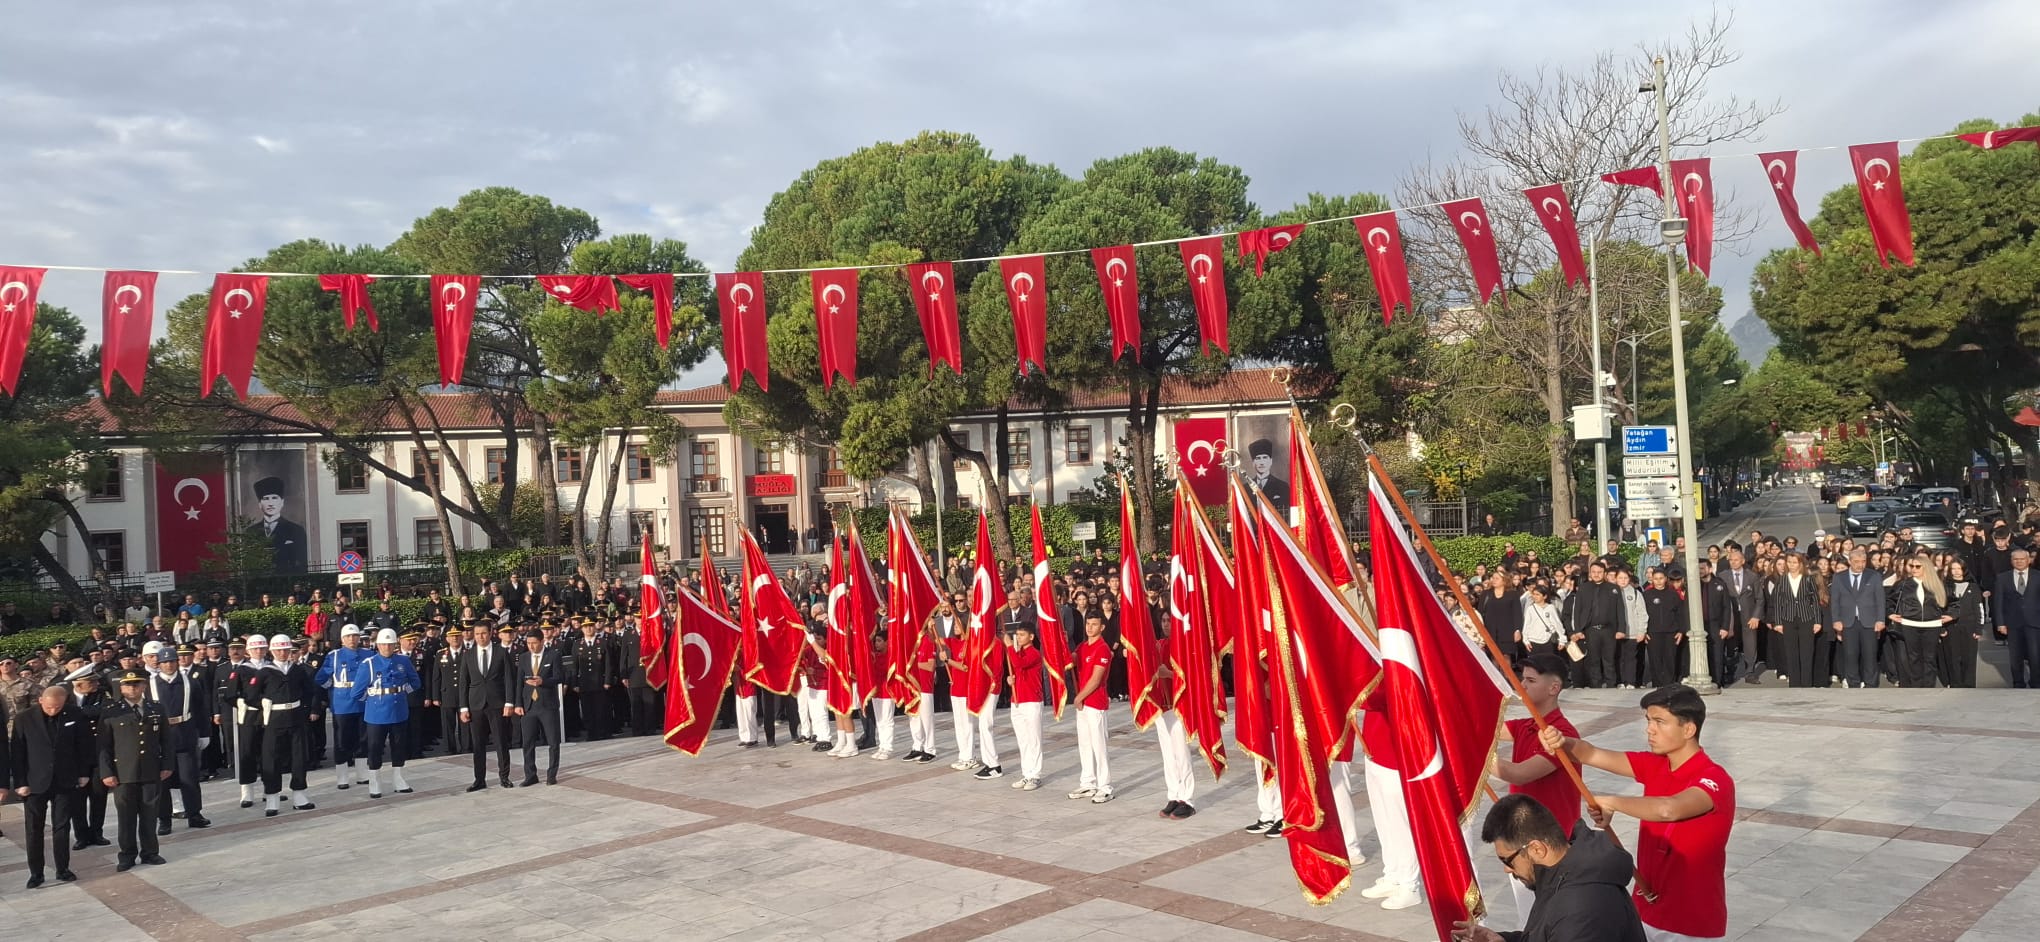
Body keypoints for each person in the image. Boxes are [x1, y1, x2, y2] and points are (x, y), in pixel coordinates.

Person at [1540, 685, 1735, 942]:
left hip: (1690, 921)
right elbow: (1591, 753)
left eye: (1659, 722)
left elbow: (1669, 809)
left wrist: (1612, 802)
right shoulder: (1654, 764)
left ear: (1689, 729)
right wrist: (1562, 742)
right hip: (1644, 909)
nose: (1649, 729)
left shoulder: (1714, 778)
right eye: (1648, 721)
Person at [1451, 794, 1646, 942]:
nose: (1507, 870)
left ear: (1537, 848)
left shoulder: (1581, 906)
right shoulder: (1562, 874)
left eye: (1507, 860)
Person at [1491, 654, 1583, 922]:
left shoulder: (1563, 733)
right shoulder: (1525, 726)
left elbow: (1520, 772)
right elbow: (1487, 728)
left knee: (1550, 919)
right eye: (1523, 679)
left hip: (1551, 845)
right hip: (1520, 840)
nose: (1523, 685)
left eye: (1531, 680)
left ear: (1554, 688)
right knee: (1528, 918)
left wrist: (1474, 756)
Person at [11, 685, 91, 888]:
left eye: (57, 707)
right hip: (35, 783)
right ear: (41, 701)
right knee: (33, 829)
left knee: (62, 827)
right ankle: (36, 873)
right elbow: (18, 753)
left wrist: (83, 773)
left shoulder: (74, 714)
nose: (53, 710)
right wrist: (20, 782)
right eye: (49, 707)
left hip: (65, 780)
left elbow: (84, 745)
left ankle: (62, 868)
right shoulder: (24, 718)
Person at [97, 669, 172, 872]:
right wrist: (107, 772)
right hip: (123, 773)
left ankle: (150, 852)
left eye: (137, 684)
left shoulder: (155, 708)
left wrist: (167, 765)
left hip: (151, 770)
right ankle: (127, 855)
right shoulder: (112, 711)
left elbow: (166, 739)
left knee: (149, 814)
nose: (133, 688)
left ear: (144, 686)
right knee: (126, 817)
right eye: (129, 685)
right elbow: (104, 745)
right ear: (121, 688)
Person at [143, 642, 210, 833]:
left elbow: (200, 709)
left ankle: (195, 814)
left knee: (189, 778)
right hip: (161, 738)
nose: (169, 665)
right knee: (162, 781)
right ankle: (164, 819)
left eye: (172, 661)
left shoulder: (190, 681)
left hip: (185, 733)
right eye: (165, 662)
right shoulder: (150, 685)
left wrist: (204, 733)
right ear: (159, 664)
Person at [259, 635, 320, 816]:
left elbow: (309, 691)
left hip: (295, 717)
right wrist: (263, 708)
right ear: (272, 651)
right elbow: (252, 694)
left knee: (299, 757)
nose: (283, 653)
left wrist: (304, 709)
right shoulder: (264, 672)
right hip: (274, 719)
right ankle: (272, 798)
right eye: (279, 650)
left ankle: (300, 795)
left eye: (286, 650)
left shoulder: (298, 670)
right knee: (271, 758)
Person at [361, 629, 422, 797]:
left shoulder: (403, 661)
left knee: (399, 746)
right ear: (378, 645)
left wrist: (402, 692)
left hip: (398, 710)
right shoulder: (369, 663)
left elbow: (415, 682)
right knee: (375, 748)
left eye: (390, 644)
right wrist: (372, 698)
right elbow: (357, 692)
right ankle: (374, 780)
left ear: (395, 645)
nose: (387, 647)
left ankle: (398, 778)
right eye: (384, 644)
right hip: (376, 714)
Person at [457, 621, 515, 790]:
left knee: (500, 742)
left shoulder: (501, 652)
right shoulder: (468, 655)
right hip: (475, 704)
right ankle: (479, 779)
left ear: (491, 633)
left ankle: (504, 776)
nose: (480, 637)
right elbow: (463, 683)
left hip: (497, 703)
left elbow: (509, 679)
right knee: (478, 744)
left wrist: (509, 702)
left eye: (483, 633)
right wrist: (463, 707)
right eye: (477, 634)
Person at [315, 623, 372, 790]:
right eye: (348, 636)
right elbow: (320, 678)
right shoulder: (334, 656)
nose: (352, 639)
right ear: (342, 639)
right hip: (342, 704)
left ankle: (362, 774)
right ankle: (342, 776)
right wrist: (333, 688)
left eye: (355, 636)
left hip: (363, 702)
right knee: (342, 741)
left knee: (363, 739)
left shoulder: (368, 654)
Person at [1068, 612, 1115, 804]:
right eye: (1088, 623)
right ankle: (1088, 781)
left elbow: (1096, 679)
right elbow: (1070, 660)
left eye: (1094, 624)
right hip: (1083, 705)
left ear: (1102, 627)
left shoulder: (1102, 649)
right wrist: (1060, 641)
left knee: (1099, 745)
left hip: (1095, 702)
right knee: (1085, 744)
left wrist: (1079, 696)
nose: (1089, 627)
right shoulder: (1083, 646)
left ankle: (1105, 786)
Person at [65, 665, 113, 850]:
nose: (96, 684)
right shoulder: (66, 698)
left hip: (96, 754)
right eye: (90, 682)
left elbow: (103, 710)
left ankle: (97, 832)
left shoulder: (102, 694)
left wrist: (78, 713)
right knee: (77, 800)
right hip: (74, 757)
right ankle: (81, 835)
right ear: (78, 684)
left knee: (98, 796)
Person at [512, 628, 565, 786]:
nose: (531, 646)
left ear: (542, 642)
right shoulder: (523, 658)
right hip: (529, 705)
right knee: (528, 742)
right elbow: (518, 683)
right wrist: (518, 704)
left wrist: (544, 681)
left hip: (547, 705)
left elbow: (560, 677)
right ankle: (530, 774)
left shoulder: (553, 655)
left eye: (534, 643)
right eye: (528, 643)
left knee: (553, 741)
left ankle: (551, 773)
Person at [1891, 553, 1953, 688]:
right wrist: (1890, 614)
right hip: (1909, 624)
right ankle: (1916, 687)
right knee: (1913, 658)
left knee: (1929, 657)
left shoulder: (1937, 584)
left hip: (1932, 625)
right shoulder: (1903, 584)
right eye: (1911, 566)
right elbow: (1889, 599)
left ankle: (1929, 686)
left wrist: (1951, 615)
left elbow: (1953, 601)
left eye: (1918, 566)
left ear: (1926, 567)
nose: (1914, 569)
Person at [1832, 549, 1889, 689]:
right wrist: (1836, 620)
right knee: (1850, 654)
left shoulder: (1873, 576)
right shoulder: (1839, 577)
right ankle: (1853, 683)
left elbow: (1880, 600)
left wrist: (1881, 620)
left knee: (1869, 654)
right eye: (1856, 562)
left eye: (1863, 562)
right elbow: (1835, 601)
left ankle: (1870, 683)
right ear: (1850, 561)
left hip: (1869, 622)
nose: (1860, 565)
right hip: (1848, 622)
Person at [1004, 625, 1045, 792]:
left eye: (1022, 635)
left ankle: (1035, 774)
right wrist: (1010, 679)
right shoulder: (1018, 653)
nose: (1019, 638)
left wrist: (1008, 646)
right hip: (1018, 700)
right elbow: (1016, 670)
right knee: (1023, 740)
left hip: (1032, 700)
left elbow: (1019, 663)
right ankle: (1026, 772)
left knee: (1034, 739)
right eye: (1017, 635)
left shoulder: (1034, 653)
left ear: (1031, 637)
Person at [1995, 549, 2040, 688]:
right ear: (2011, 561)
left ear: (2029, 560)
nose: (2019, 561)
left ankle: (2036, 682)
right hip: (2012, 623)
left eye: (2022, 559)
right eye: (2016, 559)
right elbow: (1998, 602)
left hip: (2034, 622)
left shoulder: (2038, 576)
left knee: (2035, 655)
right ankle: (2018, 683)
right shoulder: (2003, 578)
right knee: (2015, 656)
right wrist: (2000, 623)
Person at [245, 475, 309, 572]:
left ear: (282, 502)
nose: (270, 503)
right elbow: (249, 565)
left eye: (274, 498)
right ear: (259, 504)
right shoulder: (251, 532)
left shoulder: (296, 530)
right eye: (266, 499)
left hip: (286, 581)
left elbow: (302, 563)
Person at [1246, 438, 1291, 513]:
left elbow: (1286, 512)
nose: (1262, 462)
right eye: (1258, 458)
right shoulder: (1245, 488)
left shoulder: (1282, 487)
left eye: (1265, 457)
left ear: (1271, 461)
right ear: (1253, 463)